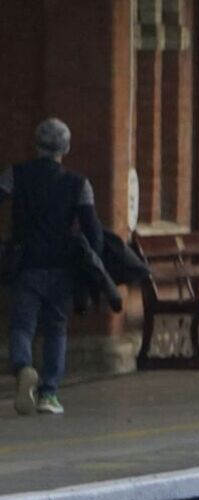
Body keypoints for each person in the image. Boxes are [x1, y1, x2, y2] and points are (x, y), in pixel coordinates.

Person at [1, 119, 102, 415]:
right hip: (62, 266)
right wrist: (92, 264)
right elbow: (92, 228)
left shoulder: (15, 175)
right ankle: (49, 394)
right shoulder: (78, 183)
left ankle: (23, 368)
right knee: (56, 328)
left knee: (22, 325)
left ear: (36, 144)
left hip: (26, 263)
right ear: (66, 148)